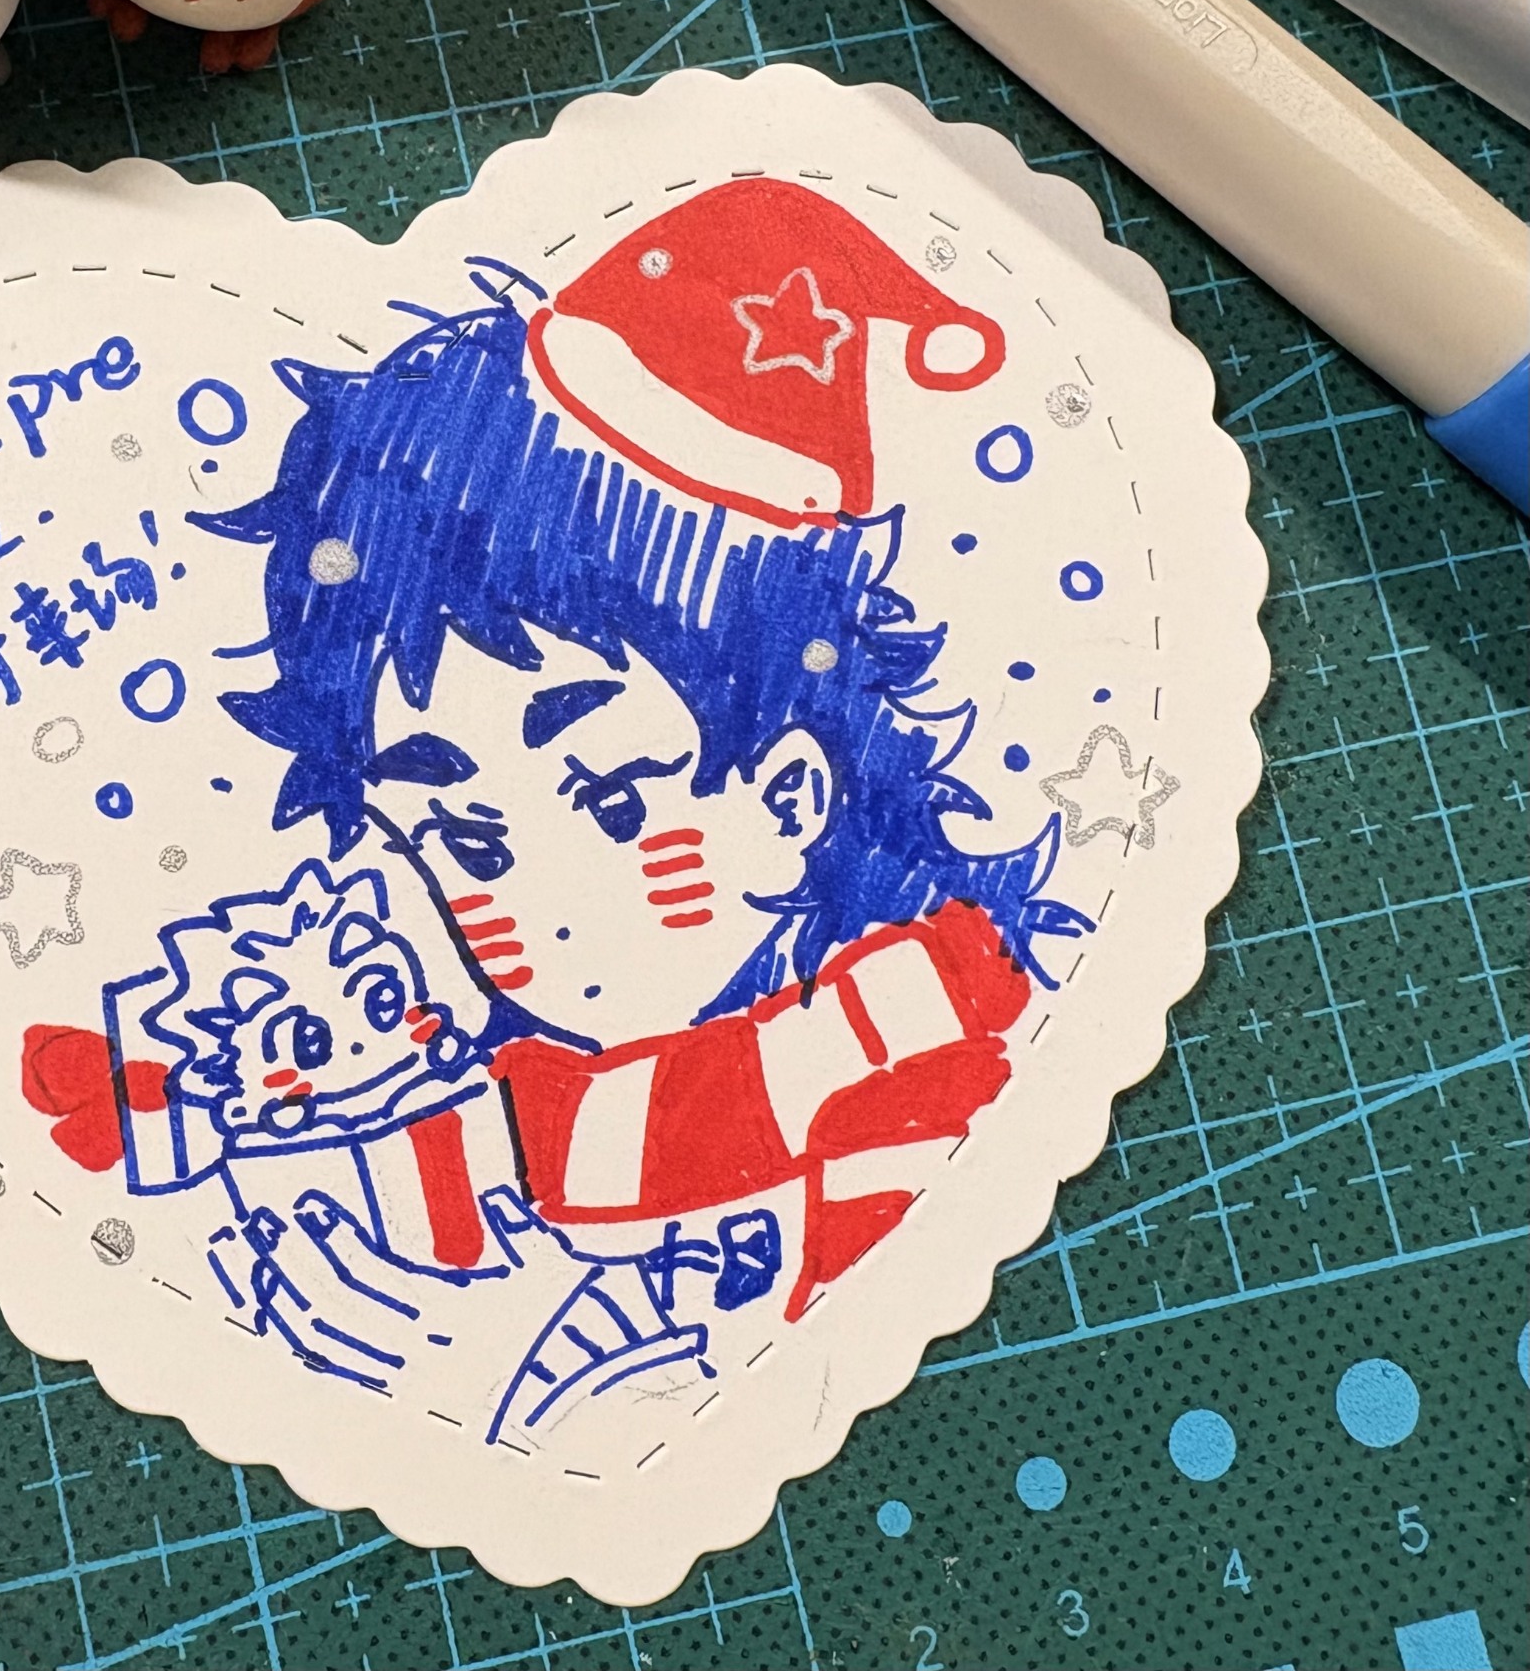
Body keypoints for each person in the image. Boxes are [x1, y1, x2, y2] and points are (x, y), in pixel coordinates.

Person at [192, 177, 1090, 1319]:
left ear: (789, 795)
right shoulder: (554, 1106)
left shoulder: (906, 1039)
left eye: (614, 800)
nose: (541, 900)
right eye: (464, 842)